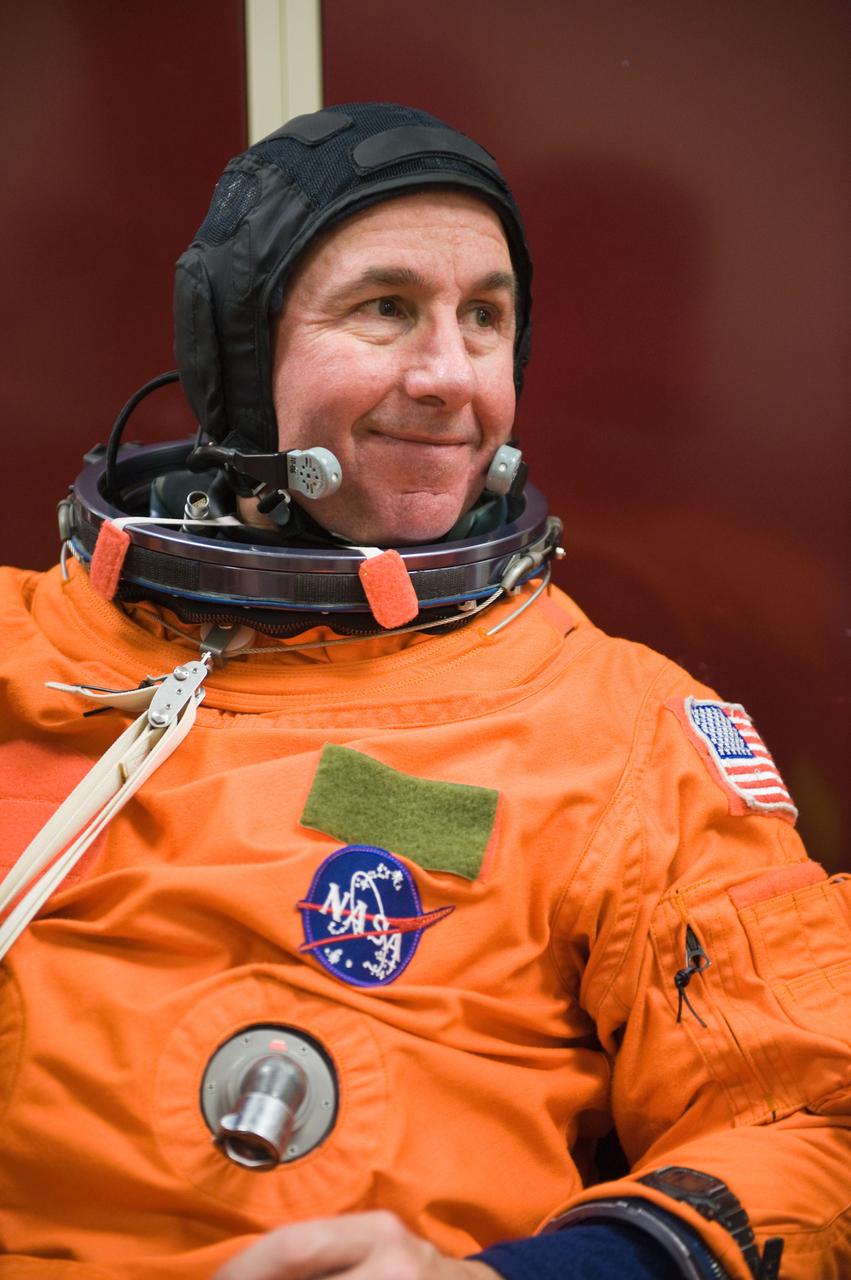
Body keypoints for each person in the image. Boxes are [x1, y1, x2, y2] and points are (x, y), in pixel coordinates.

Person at [0, 103, 847, 1280]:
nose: (449, 375)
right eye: (386, 307)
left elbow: (809, 1115)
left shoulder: (614, 734)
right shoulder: (21, 642)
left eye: (485, 317)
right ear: (237, 354)